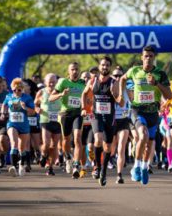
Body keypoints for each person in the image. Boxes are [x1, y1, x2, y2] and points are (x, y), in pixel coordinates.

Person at [119, 45, 172, 185]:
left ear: (154, 58)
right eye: (146, 56)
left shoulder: (160, 74)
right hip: (137, 110)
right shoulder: (135, 71)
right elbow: (123, 79)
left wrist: (156, 84)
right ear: (142, 57)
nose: (148, 58)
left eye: (151, 56)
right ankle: (136, 166)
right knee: (143, 135)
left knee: (149, 145)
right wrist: (120, 95)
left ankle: (143, 167)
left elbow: (169, 95)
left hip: (153, 112)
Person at [81, 56, 123, 186]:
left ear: (109, 67)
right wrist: (84, 108)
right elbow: (84, 93)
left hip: (109, 118)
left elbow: (121, 103)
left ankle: (103, 172)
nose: (104, 67)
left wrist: (115, 94)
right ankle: (97, 167)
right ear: (99, 66)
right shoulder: (93, 81)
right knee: (98, 140)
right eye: (102, 65)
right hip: (96, 115)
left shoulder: (113, 82)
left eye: (107, 65)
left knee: (107, 147)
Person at [49, 62, 86, 178]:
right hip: (66, 114)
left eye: (77, 69)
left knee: (78, 138)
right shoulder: (63, 82)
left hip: (78, 114)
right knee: (66, 139)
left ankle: (76, 165)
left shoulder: (82, 83)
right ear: (68, 71)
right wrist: (61, 94)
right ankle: (68, 157)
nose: (75, 71)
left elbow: (89, 97)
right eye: (72, 69)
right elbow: (50, 98)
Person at [2, 78, 35, 177]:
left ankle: (21, 165)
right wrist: (3, 113)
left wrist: (25, 107)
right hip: (12, 124)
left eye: (19, 90)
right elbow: (4, 105)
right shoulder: (9, 97)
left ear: (22, 89)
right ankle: (13, 166)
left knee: (22, 148)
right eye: (14, 89)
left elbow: (33, 112)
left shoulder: (27, 98)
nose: (16, 91)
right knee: (14, 143)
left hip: (24, 126)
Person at [35, 73, 61, 176]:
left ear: (56, 82)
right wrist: (37, 108)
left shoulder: (60, 92)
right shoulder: (41, 92)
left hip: (57, 121)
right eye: (49, 82)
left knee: (54, 146)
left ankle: (50, 167)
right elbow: (35, 103)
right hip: (45, 120)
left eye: (53, 82)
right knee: (46, 143)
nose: (51, 84)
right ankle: (43, 155)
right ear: (45, 82)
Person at [112, 68, 131, 184]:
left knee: (121, 148)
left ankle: (119, 174)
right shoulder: (109, 88)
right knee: (111, 149)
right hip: (111, 121)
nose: (118, 78)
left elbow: (133, 101)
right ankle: (101, 166)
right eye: (115, 76)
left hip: (124, 120)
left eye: (120, 75)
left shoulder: (127, 89)